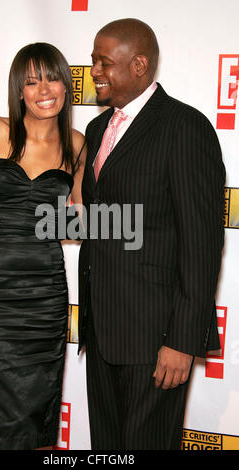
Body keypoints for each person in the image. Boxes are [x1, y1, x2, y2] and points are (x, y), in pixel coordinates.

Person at [78, 18, 225, 450]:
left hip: (155, 338)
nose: (95, 72)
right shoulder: (96, 130)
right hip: (102, 334)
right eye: (92, 62)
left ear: (139, 65)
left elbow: (201, 244)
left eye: (104, 62)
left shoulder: (184, 127)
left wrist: (181, 341)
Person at [0, 42, 86, 450]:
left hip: (45, 297)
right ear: (18, 90)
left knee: (39, 414)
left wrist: (135, 221)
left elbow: (77, 223)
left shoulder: (76, 145)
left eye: (53, 77)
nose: (44, 89)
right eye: (31, 81)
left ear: (66, 84)